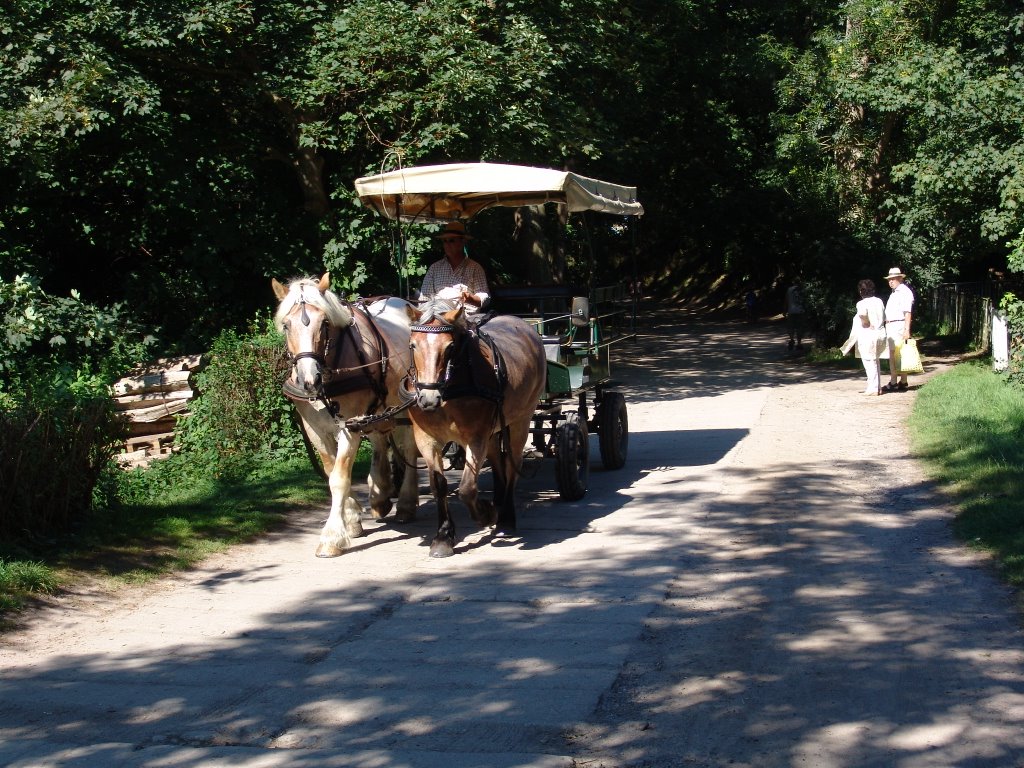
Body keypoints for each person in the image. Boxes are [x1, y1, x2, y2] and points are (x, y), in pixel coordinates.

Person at [418, 221, 490, 315]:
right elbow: (424, 298)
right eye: (445, 241)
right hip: (439, 320)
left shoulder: (475, 268)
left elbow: (484, 296)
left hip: (467, 320)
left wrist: (470, 299)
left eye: (452, 240)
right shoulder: (434, 268)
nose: (447, 244)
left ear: (462, 242)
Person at [841, 279, 886, 395]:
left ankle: (873, 388)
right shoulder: (879, 301)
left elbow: (862, 314)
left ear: (861, 291)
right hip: (881, 334)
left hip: (868, 335)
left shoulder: (861, 303)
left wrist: (866, 323)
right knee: (876, 360)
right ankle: (878, 387)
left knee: (868, 361)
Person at [881, 266, 915, 392]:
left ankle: (894, 381)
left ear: (900, 278)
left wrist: (907, 329)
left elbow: (907, 312)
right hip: (892, 325)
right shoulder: (895, 292)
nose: (891, 281)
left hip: (898, 326)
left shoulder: (904, 292)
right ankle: (902, 381)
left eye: (893, 279)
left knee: (895, 353)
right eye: (889, 279)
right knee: (898, 353)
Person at [784, 282, 805, 350]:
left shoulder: (789, 290)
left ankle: (792, 340)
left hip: (791, 311)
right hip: (800, 311)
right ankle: (799, 343)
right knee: (799, 327)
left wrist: (784, 310)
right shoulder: (802, 289)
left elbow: (786, 300)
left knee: (791, 327)